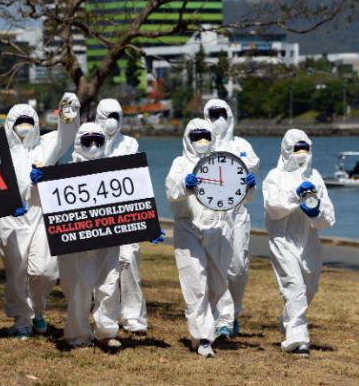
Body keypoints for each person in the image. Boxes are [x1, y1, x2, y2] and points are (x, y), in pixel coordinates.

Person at [166, 118, 256, 357]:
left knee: (217, 284)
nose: (201, 141)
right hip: (188, 227)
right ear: (188, 138)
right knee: (195, 282)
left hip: (219, 228)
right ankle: (204, 337)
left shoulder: (224, 162)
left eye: (205, 136)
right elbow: (171, 191)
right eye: (196, 137)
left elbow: (240, 197)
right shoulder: (180, 163)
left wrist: (248, 186)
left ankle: (207, 322)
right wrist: (184, 184)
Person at [0, 94, 80, 340]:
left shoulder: (45, 145)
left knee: (46, 269)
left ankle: (37, 310)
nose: (24, 126)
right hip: (11, 219)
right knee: (17, 273)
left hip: (42, 214)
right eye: (19, 121)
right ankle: (22, 320)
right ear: (9, 124)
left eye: (28, 121)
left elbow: (67, 135)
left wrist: (69, 110)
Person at [263, 130, 335, 356]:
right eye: (297, 149)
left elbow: (329, 217)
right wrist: (295, 195)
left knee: (309, 288)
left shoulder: (315, 176)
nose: (301, 154)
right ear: (286, 149)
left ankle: (287, 320)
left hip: (309, 242)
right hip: (282, 239)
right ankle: (298, 340)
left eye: (305, 148)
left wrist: (316, 212)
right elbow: (272, 208)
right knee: (294, 287)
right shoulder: (274, 176)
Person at [56, 123, 125, 350]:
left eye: (98, 141)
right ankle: (78, 334)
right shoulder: (64, 172)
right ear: (78, 143)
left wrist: (147, 225)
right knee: (78, 285)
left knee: (110, 283)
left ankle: (106, 331)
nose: (93, 146)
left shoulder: (114, 170)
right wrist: (41, 183)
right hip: (76, 240)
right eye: (88, 141)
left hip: (107, 236)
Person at [94, 98, 157, 336]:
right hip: (96, 215)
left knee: (129, 260)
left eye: (116, 116)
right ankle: (103, 315)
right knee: (100, 267)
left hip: (125, 213)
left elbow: (137, 178)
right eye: (107, 115)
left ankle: (133, 318)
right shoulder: (88, 137)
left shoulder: (130, 143)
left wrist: (150, 220)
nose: (112, 121)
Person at [203, 99, 259, 339]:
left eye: (221, 113)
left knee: (237, 267)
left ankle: (234, 313)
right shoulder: (201, 144)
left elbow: (251, 164)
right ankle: (220, 319)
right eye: (212, 114)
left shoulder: (241, 144)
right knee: (216, 267)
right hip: (210, 213)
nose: (218, 119)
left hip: (236, 212)